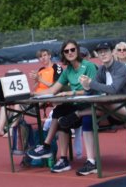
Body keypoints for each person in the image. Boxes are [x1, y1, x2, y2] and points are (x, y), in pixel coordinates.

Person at [26, 39, 99, 174]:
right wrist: (31, 94)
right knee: (60, 112)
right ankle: (58, 155)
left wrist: (70, 92)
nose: (70, 52)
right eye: (66, 51)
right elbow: (52, 90)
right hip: (75, 106)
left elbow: (93, 89)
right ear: (63, 54)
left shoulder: (89, 66)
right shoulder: (68, 70)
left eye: (72, 49)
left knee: (62, 113)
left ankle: (48, 147)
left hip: (90, 106)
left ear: (77, 50)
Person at [74, 42, 126, 176]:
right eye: (100, 52)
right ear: (97, 55)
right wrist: (86, 86)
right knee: (88, 119)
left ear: (112, 52)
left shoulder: (121, 68)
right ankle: (91, 162)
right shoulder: (101, 70)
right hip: (110, 111)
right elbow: (93, 89)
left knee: (103, 102)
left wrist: (91, 83)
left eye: (105, 51)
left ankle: (78, 114)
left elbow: (113, 89)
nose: (103, 54)